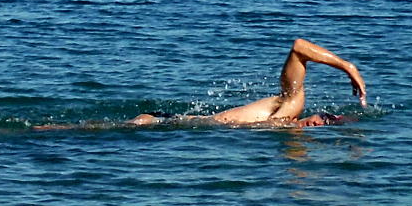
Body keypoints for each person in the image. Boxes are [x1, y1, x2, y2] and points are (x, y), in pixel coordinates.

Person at [131, 37, 367, 128]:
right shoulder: (291, 106)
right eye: (322, 120)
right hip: (161, 122)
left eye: (323, 128)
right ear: (316, 113)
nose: (317, 125)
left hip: (176, 129)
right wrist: (347, 66)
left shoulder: (287, 127)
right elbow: (299, 48)